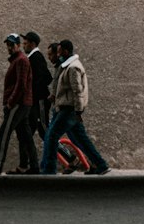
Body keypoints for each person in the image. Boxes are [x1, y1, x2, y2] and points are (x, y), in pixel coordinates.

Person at [40, 39, 109, 175]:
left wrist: (78, 111)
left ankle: (48, 169)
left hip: (69, 109)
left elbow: (77, 91)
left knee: (52, 135)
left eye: (59, 52)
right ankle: (100, 164)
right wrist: (54, 96)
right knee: (80, 139)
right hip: (66, 108)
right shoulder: (67, 66)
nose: (58, 54)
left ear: (66, 51)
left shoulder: (73, 68)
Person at [0, 33, 38, 175]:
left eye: (12, 44)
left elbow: (21, 84)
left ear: (18, 45)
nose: (9, 47)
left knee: (3, 133)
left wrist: (11, 102)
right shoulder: (17, 60)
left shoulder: (21, 61)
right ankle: (34, 165)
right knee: (25, 136)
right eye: (8, 45)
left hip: (18, 104)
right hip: (23, 103)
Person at [22, 30, 52, 152]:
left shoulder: (36, 57)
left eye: (25, 43)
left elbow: (47, 77)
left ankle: (69, 157)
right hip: (35, 101)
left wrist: (35, 92)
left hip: (40, 101)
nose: (23, 46)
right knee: (29, 129)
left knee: (45, 131)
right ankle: (29, 162)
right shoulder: (33, 57)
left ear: (33, 44)